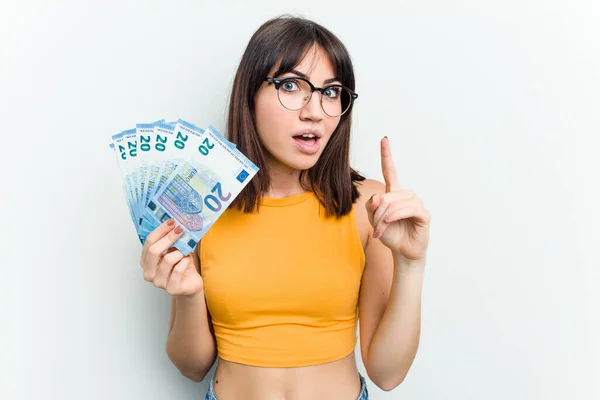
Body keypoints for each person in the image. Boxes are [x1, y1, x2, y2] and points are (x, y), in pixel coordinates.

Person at [139, 15, 431, 400]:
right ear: (250, 95)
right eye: (291, 86)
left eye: (331, 91)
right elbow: (191, 367)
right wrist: (188, 294)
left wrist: (411, 264)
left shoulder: (368, 206)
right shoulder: (202, 204)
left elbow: (387, 374)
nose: (315, 110)